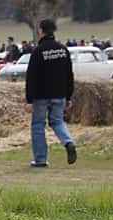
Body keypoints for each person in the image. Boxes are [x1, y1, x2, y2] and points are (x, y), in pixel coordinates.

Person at [23, 17, 76, 169]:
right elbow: (69, 74)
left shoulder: (38, 51)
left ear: (41, 31)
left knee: (38, 125)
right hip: (60, 94)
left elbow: (31, 76)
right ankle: (68, 142)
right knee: (57, 121)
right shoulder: (63, 50)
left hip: (41, 96)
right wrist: (69, 96)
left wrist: (29, 99)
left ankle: (40, 159)